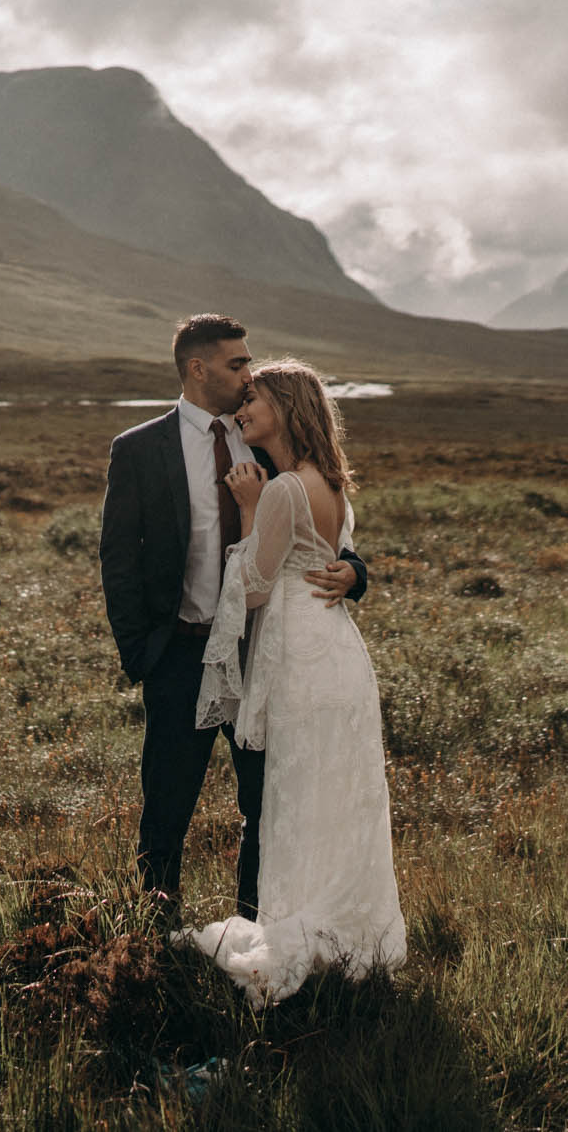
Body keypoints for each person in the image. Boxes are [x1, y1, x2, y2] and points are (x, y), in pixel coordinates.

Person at [100, 315, 368, 920]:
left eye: (249, 364)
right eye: (237, 364)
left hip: (266, 653)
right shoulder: (139, 449)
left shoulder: (266, 437)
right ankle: (156, 928)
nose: (248, 373)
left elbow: (320, 523)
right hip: (179, 654)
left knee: (267, 802)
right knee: (166, 803)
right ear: (198, 369)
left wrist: (355, 572)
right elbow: (118, 559)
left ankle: (256, 922)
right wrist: (140, 653)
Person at [175, 358, 406, 1007]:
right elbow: (330, 557)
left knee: (295, 800)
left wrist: (250, 509)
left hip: (299, 656)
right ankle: (353, 941)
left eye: (254, 399)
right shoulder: (333, 486)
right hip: (338, 653)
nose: (242, 408)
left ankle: (301, 936)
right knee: (336, 801)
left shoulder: (280, 491)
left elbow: (251, 588)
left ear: (288, 408)